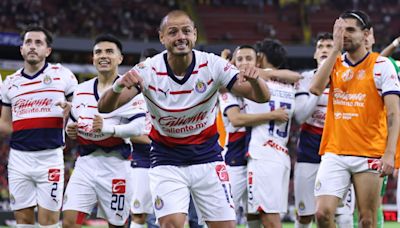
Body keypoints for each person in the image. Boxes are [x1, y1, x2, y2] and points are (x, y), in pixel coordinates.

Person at [98, 10, 270, 228]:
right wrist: (118, 85)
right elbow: (104, 107)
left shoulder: (213, 65)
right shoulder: (148, 70)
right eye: (173, 32)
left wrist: (256, 81)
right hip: (167, 160)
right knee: (171, 224)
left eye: (186, 31)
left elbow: (262, 97)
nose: (181, 37)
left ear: (195, 35)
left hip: (208, 158)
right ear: (162, 37)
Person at [309, 10, 400, 227]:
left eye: (350, 30)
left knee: (367, 220)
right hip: (334, 151)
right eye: (340, 31)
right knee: (322, 214)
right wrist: (335, 51)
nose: (344, 35)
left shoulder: (382, 65)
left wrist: (389, 154)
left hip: (369, 152)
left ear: (366, 34)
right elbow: (315, 88)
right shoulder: (335, 63)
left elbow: (394, 113)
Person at [62, 34, 146, 227]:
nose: (103, 56)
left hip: (117, 165)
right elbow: (74, 123)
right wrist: (71, 130)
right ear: (92, 58)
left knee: (117, 225)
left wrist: (109, 129)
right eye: (98, 52)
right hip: (85, 163)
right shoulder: (80, 89)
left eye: (109, 51)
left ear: (120, 58)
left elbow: (139, 127)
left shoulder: (130, 90)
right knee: (68, 222)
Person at [0, 26, 78, 227]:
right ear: (21, 49)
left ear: (48, 50)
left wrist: (73, 113)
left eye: (38, 43)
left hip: (50, 159)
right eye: (28, 42)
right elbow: (5, 125)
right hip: (19, 160)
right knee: (23, 221)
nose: (32, 47)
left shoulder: (63, 75)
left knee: (49, 222)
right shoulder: (10, 83)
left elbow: (80, 113)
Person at [219, 45, 299, 227]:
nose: (244, 63)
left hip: (256, 156)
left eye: (249, 59)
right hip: (233, 159)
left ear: (258, 62)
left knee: (254, 216)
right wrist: (272, 115)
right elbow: (236, 119)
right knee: (222, 214)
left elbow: (295, 76)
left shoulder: (259, 87)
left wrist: (265, 74)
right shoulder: (228, 90)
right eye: (240, 59)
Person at [294, 32, 355, 228]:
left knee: (343, 215)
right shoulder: (305, 78)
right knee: (305, 216)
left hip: (340, 152)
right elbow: (300, 115)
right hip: (308, 152)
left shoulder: (349, 80)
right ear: (314, 54)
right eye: (320, 47)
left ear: (339, 53)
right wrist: (318, 86)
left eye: (330, 47)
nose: (324, 51)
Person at [245, 38, 296, 228]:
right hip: (280, 154)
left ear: (260, 57)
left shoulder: (256, 82)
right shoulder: (288, 86)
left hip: (263, 154)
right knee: (257, 217)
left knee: (269, 219)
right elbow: (297, 77)